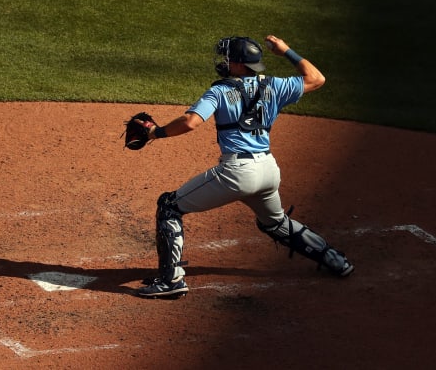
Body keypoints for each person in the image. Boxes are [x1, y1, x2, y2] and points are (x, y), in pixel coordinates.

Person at [135, 35, 353, 298]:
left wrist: (155, 133)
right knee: (275, 222)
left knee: (169, 206)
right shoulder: (275, 85)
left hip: (237, 172)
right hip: (268, 170)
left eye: (228, 58)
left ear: (239, 64)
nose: (224, 62)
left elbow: (191, 122)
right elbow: (317, 79)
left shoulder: (219, 90)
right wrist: (286, 51)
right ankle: (333, 258)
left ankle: (171, 281)